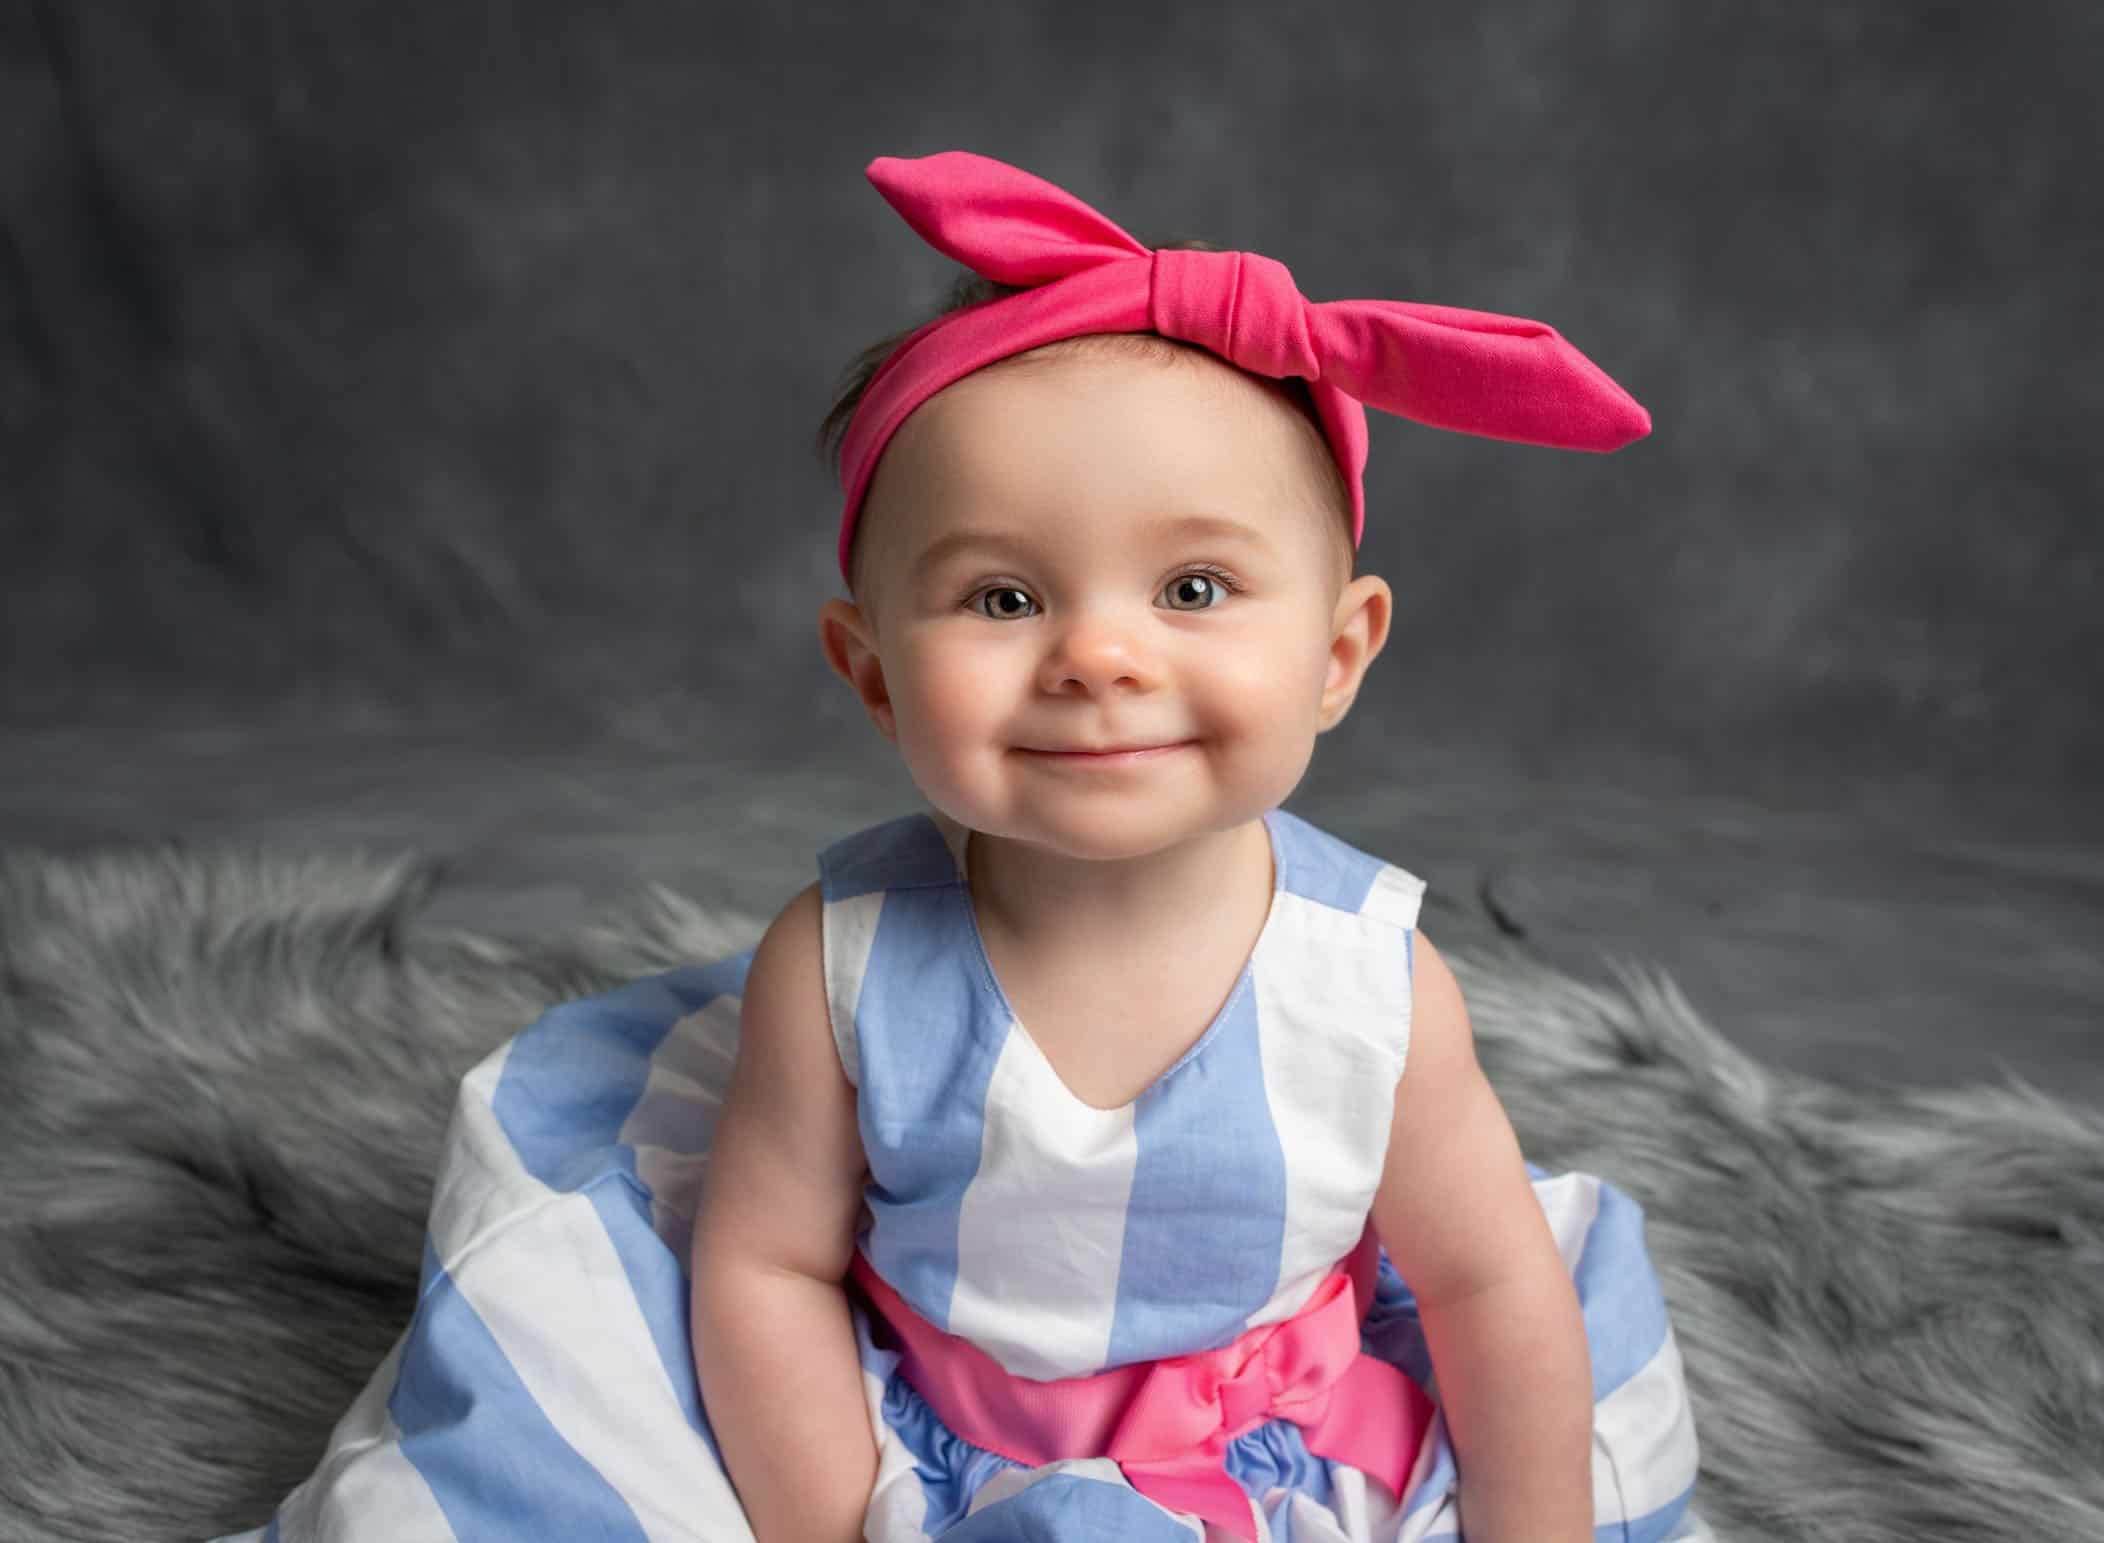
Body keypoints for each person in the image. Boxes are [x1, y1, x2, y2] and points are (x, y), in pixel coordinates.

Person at [689, 150, 1704, 1543]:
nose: (1100, 654)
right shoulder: (839, 968)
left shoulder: (1368, 989)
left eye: (1194, 587)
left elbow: (1486, 1287)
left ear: (1338, 654)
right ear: (871, 677)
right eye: (1002, 595)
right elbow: (765, 1269)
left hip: (1276, 1464)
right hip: (933, 1452)